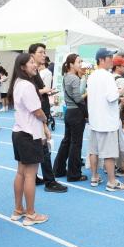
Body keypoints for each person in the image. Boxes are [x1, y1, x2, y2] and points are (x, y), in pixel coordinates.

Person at [9, 53, 50, 225]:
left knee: (21, 172)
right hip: (29, 134)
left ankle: (19, 210)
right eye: (31, 62)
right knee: (30, 175)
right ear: (23, 67)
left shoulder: (18, 83)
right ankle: (31, 214)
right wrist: (45, 121)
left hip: (19, 132)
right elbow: (37, 111)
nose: (35, 65)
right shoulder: (26, 85)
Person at [28, 44, 67, 193]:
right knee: (43, 149)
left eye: (44, 52)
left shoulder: (36, 71)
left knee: (41, 149)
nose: (44, 55)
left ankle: (37, 177)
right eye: (40, 52)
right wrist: (43, 91)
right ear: (32, 55)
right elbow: (29, 92)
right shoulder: (29, 74)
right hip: (36, 116)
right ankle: (49, 181)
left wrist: (46, 93)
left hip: (41, 113)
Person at [88, 48, 124, 191]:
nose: (112, 59)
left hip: (94, 120)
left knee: (94, 151)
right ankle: (112, 182)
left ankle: (94, 177)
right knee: (109, 154)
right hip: (107, 121)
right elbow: (111, 97)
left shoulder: (92, 76)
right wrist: (120, 92)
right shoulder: (108, 76)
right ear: (101, 60)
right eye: (109, 57)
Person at [53, 54, 88, 182]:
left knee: (67, 142)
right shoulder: (74, 79)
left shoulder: (66, 77)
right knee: (76, 144)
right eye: (79, 62)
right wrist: (87, 93)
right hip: (76, 113)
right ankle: (74, 174)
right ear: (71, 64)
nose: (81, 64)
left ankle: (58, 169)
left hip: (69, 112)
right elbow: (78, 98)